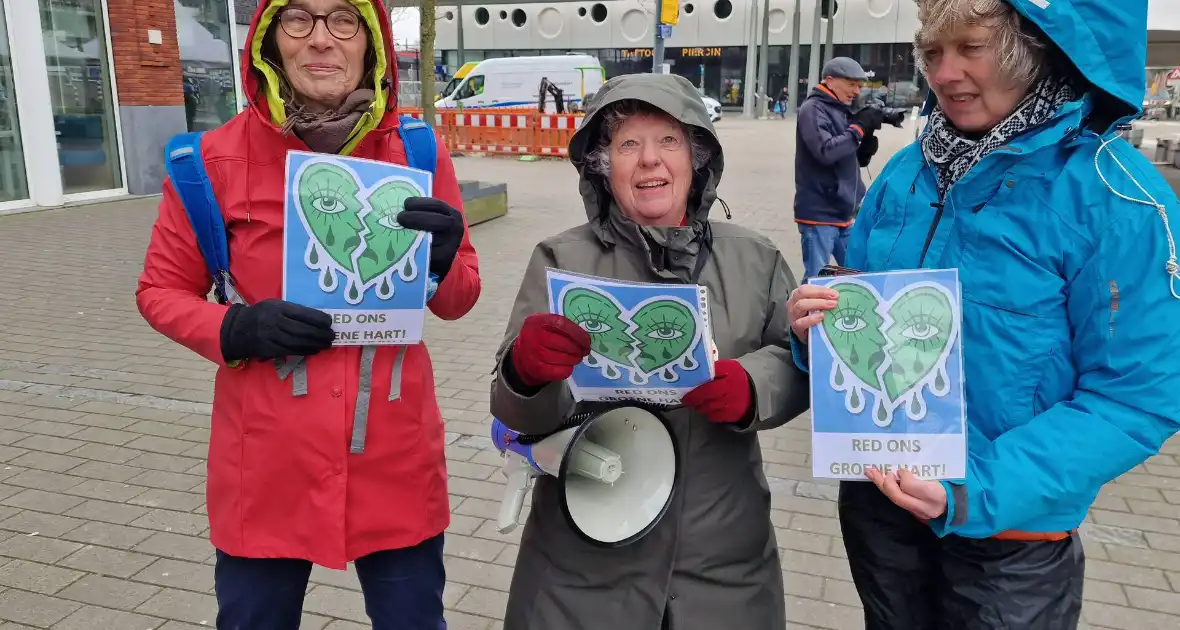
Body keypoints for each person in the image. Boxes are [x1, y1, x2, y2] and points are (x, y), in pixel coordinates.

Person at [787, 0, 1180, 627]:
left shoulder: (1116, 198)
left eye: (971, 48)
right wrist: (816, 330)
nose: (944, 73)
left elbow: (1135, 400)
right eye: (933, 52)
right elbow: (855, 304)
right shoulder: (906, 172)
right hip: (881, 505)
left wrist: (974, 489)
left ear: (1038, 47)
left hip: (1009, 538)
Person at [135, 0, 481, 627]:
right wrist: (233, 327)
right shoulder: (208, 162)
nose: (322, 40)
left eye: (343, 20)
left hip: (394, 460)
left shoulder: (420, 152)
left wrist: (444, 259)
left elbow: (458, 300)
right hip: (266, 465)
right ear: (269, 42)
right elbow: (159, 291)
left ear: (370, 43)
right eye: (298, 19)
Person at [489, 73, 810, 630]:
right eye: (627, 145)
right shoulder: (559, 260)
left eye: (669, 141)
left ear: (697, 156)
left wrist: (753, 387)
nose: (649, 161)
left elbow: (801, 361)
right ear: (601, 166)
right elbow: (515, 411)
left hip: (722, 561)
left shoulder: (754, 258)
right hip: (581, 563)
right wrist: (525, 375)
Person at [794, 56, 884, 280]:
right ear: (830, 81)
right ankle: (806, 315)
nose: (856, 91)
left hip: (845, 211)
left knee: (859, 276)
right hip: (819, 213)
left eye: (859, 86)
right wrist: (858, 129)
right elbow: (825, 151)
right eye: (851, 84)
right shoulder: (813, 109)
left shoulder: (841, 110)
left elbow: (845, 154)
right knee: (817, 280)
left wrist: (864, 150)